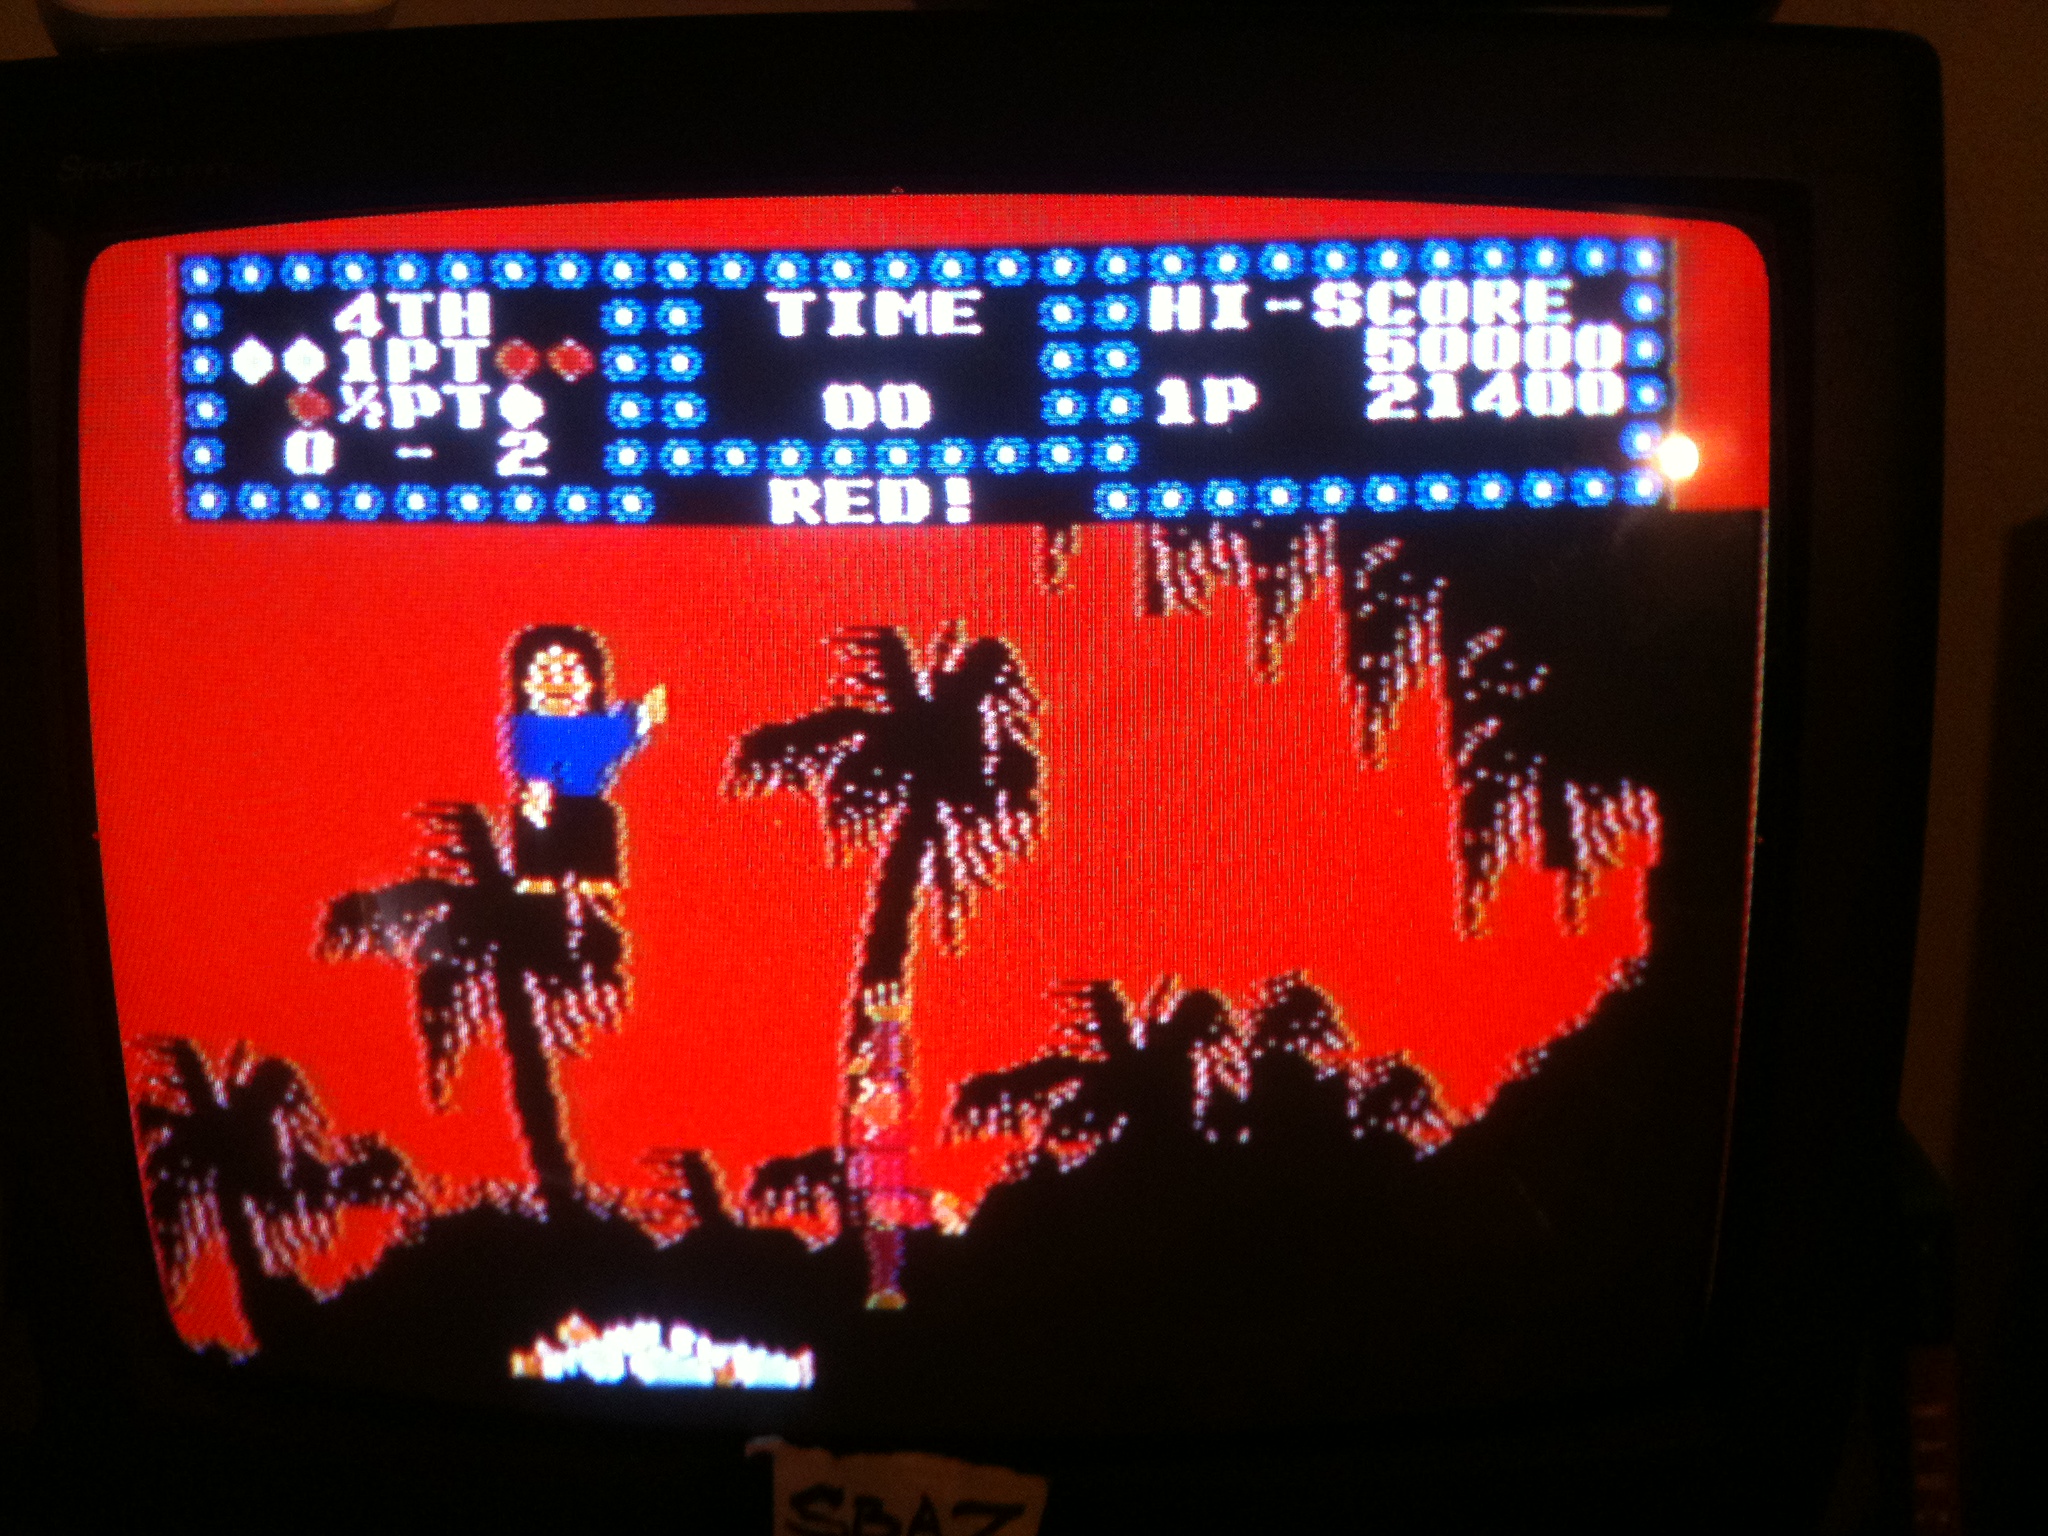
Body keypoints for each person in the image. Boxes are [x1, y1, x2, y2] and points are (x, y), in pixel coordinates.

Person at [504, 626, 665, 896]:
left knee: (598, 820)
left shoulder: (594, 728)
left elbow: (620, 731)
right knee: (532, 823)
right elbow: (524, 761)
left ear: (590, 684)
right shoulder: (525, 728)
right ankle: (537, 874)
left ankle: (595, 875)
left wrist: (646, 713)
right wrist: (535, 786)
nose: (557, 684)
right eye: (546, 674)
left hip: (588, 806)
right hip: (540, 805)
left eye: (569, 674)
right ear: (527, 684)